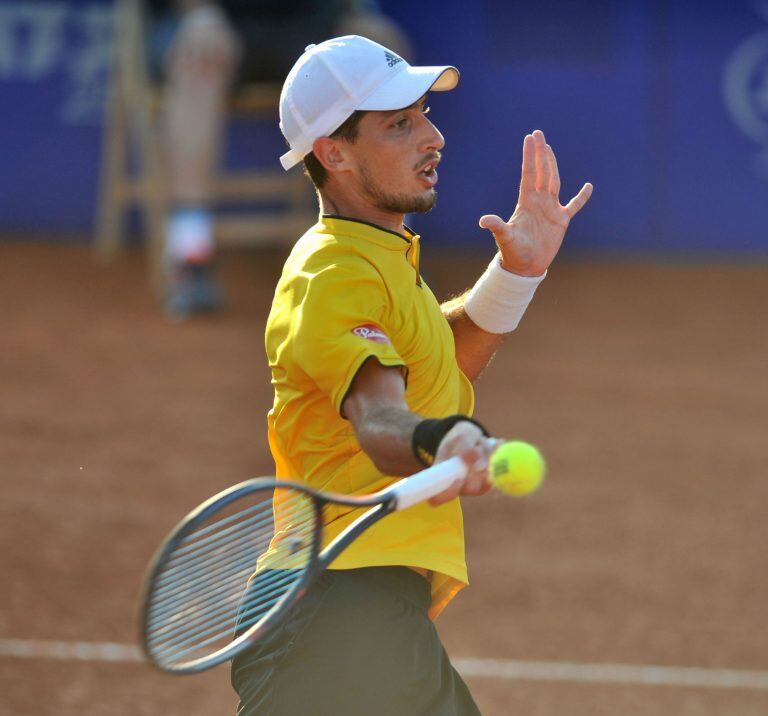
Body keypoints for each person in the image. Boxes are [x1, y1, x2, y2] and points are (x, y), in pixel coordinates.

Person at [231, 36, 593, 715]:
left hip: (356, 615)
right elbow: (379, 418)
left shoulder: (380, 257)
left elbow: (436, 368)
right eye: (400, 123)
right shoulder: (332, 273)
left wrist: (518, 274)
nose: (432, 136)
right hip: (332, 616)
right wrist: (446, 439)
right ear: (332, 154)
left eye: (425, 113)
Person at [145, 1, 411, 320]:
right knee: (201, 49)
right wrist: (198, 11)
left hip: (308, 24)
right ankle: (190, 251)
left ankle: (388, 247)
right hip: (213, 19)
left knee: (382, 50)